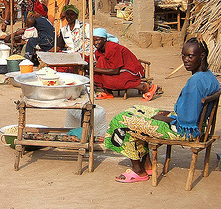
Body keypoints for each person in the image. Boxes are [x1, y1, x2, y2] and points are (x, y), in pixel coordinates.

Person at [105, 38, 220, 183]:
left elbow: (186, 120)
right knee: (137, 109)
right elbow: (192, 110)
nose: (186, 60)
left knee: (122, 120)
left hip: (186, 130)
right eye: (183, 55)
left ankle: (138, 171)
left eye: (190, 56)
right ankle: (147, 164)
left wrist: (165, 118)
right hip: (199, 125)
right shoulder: (209, 76)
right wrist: (166, 114)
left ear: (202, 56)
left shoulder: (195, 82)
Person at [93, 28, 157, 100]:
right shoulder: (99, 51)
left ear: (104, 39)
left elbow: (115, 71)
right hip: (118, 69)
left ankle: (144, 87)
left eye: (98, 40)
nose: (95, 43)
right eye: (94, 40)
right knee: (98, 73)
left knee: (114, 81)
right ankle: (108, 93)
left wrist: (94, 69)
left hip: (132, 70)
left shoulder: (113, 48)